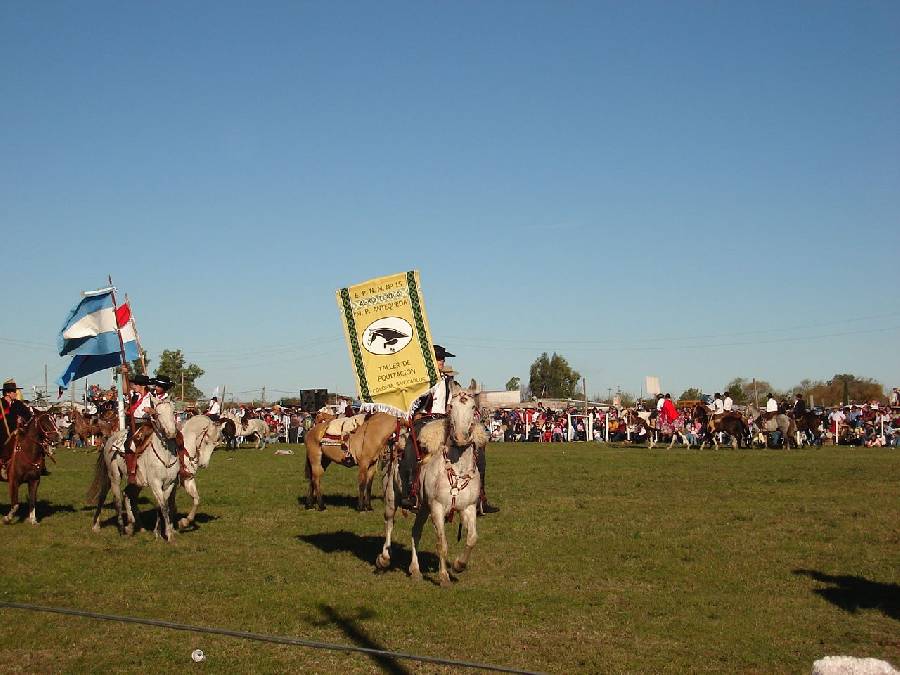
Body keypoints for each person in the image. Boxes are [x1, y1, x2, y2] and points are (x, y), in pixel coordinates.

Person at [1, 379, 33, 480]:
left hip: (18, 432)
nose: (16, 393)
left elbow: (28, 415)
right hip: (3, 433)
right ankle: (3, 466)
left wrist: (22, 419)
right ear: (7, 393)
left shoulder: (18, 404)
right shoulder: (1, 404)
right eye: (14, 391)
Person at [124, 374, 153, 485]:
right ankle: (131, 472)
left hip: (146, 424)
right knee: (128, 444)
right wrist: (124, 373)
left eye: (135, 384)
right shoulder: (133, 395)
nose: (133, 385)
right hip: (134, 424)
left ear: (142, 385)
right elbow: (125, 389)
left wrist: (151, 410)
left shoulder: (151, 397)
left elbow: (157, 412)